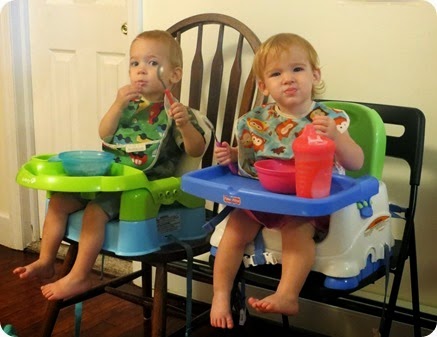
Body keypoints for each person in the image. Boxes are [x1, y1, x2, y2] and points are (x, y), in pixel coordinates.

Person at [13, 30, 206, 301]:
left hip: (140, 187)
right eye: (135, 63)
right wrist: (117, 105)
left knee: (94, 211)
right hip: (110, 177)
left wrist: (185, 124)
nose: (141, 70)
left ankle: (80, 276)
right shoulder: (128, 106)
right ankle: (46, 260)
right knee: (58, 200)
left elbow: (196, 150)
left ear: (174, 75)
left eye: (152, 63)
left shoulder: (176, 113)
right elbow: (104, 134)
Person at [210, 33, 364, 329]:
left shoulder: (329, 119)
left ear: (314, 75)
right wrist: (231, 155)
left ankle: (287, 295)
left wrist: (336, 137)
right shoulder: (257, 120)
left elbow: (355, 163)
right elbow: (251, 161)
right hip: (266, 196)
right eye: (276, 73)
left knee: (297, 232)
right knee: (233, 231)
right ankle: (220, 294)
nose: (288, 79)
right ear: (263, 86)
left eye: (297, 69)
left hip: (306, 202)